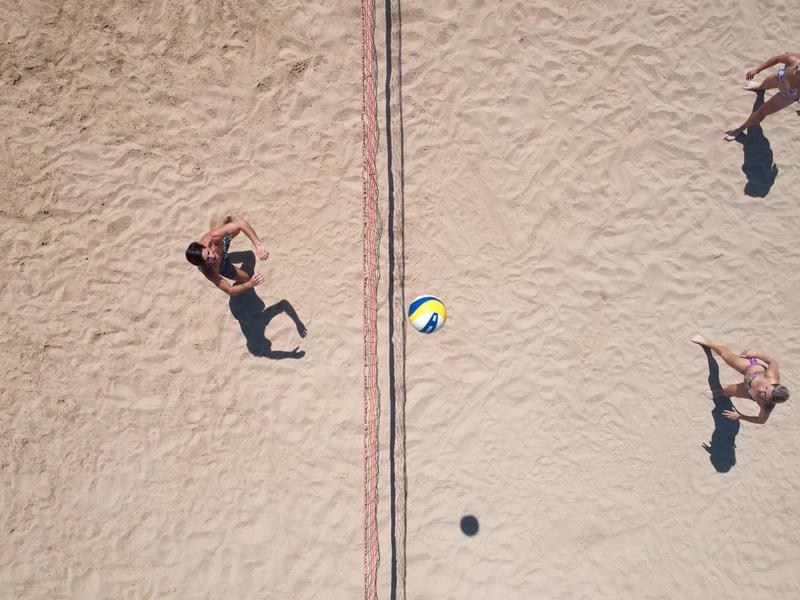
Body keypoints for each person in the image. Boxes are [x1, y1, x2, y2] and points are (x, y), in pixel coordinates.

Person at [691, 334, 789, 424]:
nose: (761, 390)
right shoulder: (771, 376)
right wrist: (755, 354)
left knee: (727, 391)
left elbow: (761, 420)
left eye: (764, 395)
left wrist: (740, 416)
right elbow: (774, 362)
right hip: (751, 368)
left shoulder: (766, 407)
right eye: (766, 388)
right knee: (726, 355)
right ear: (772, 384)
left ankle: (720, 392)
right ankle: (708, 344)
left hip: (748, 390)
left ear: (770, 401)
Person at [185, 216, 269, 296]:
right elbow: (230, 291)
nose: (212, 257)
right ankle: (225, 227)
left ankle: (225, 227)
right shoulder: (209, 271)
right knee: (246, 278)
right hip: (223, 266)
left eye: (208, 253)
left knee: (236, 229)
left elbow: (241, 224)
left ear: (205, 247)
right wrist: (250, 284)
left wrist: (258, 245)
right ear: (204, 264)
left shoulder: (212, 239)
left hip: (222, 246)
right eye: (207, 260)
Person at [725, 53, 800, 141]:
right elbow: (776, 59)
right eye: (799, 67)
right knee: (763, 85)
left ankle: (741, 128)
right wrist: (757, 70)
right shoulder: (793, 60)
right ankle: (760, 87)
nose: (798, 69)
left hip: (786, 96)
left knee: (761, 112)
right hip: (779, 79)